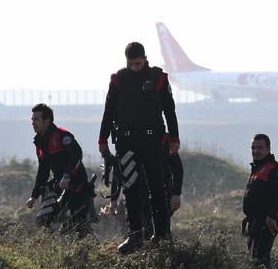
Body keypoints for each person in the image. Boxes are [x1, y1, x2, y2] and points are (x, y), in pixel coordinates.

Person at [98, 41, 180, 253]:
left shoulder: (159, 79)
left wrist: (175, 139)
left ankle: (161, 234)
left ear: (145, 58)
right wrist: (102, 140)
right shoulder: (118, 80)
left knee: (157, 188)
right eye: (131, 64)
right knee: (131, 189)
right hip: (126, 142)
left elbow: (169, 111)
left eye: (138, 63)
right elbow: (108, 110)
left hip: (153, 141)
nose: (134, 67)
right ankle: (135, 236)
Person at [26, 103, 94, 237]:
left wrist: (67, 176)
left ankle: (89, 249)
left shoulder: (62, 135)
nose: (33, 123)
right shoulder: (39, 142)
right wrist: (34, 196)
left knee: (79, 223)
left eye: (36, 119)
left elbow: (77, 154)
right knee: (43, 219)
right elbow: (43, 171)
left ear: (47, 120)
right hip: (59, 185)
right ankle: (50, 249)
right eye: (32, 120)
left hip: (77, 183)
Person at [242, 134, 278, 269]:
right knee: (254, 257)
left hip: (265, 221)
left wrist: (271, 217)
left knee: (261, 258)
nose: (256, 151)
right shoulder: (257, 169)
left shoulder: (275, 169)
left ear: (268, 149)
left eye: (260, 147)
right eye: (253, 147)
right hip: (254, 221)